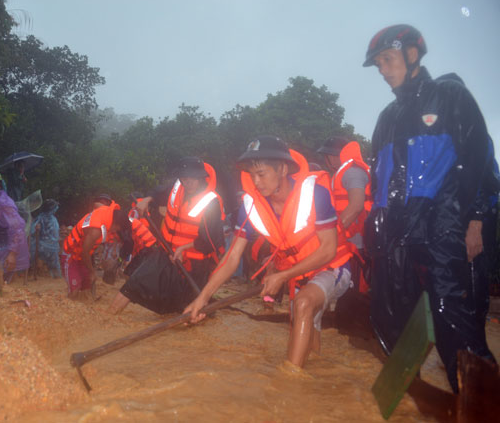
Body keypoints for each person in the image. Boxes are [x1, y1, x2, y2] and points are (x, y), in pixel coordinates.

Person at [362, 24, 498, 392]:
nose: (384, 70)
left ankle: (480, 398)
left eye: (388, 60)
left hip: (445, 220)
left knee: (450, 310)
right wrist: (374, 219)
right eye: (378, 64)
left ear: (411, 55)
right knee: (389, 311)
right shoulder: (387, 118)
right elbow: (380, 177)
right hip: (398, 227)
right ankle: (413, 397)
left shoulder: (451, 96)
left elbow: (479, 161)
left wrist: (477, 219)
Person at [184, 136, 353, 368]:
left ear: (282, 169)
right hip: (299, 278)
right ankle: (314, 389)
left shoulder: (316, 194)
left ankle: (289, 384)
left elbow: (328, 249)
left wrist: (282, 276)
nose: (256, 181)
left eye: (261, 174)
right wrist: (201, 299)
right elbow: (232, 258)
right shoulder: (250, 206)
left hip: (334, 267)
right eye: (252, 175)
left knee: (303, 304)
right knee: (309, 345)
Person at [107, 156, 225, 315]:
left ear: (201, 177)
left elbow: (211, 242)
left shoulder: (212, 202)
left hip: (194, 263)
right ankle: (107, 317)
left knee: (187, 311)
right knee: (134, 283)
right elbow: (158, 191)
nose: (187, 183)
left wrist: (184, 249)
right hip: (166, 251)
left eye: (192, 179)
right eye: (184, 178)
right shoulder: (177, 187)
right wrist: (147, 199)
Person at [318, 136, 372, 292]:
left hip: (356, 242)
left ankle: (352, 315)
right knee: (347, 290)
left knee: (355, 288)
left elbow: (356, 206)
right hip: (348, 238)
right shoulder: (346, 172)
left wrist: (334, 234)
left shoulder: (352, 172)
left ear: (334, 157)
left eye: (326, 156)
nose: (325, 160)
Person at [62, 200, 131, 300]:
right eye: (116, 229)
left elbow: (96, 204)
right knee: (75, 290)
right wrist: (92, 271)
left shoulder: (105, 210)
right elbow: (84, 252)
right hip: (71, 254)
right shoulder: (96, 231)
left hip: (83, 257)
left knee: (86, 287)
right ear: (115, 224)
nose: (114, 232)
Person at [30, 199, 62, 278]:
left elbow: (55, 233)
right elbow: (32, 231)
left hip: (52, 244)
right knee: (39, 260)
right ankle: (38, 274)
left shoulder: (53, 219)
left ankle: (55, 276)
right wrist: (36, 228)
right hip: (42, 244)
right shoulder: (40, 218)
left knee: (54, 262)